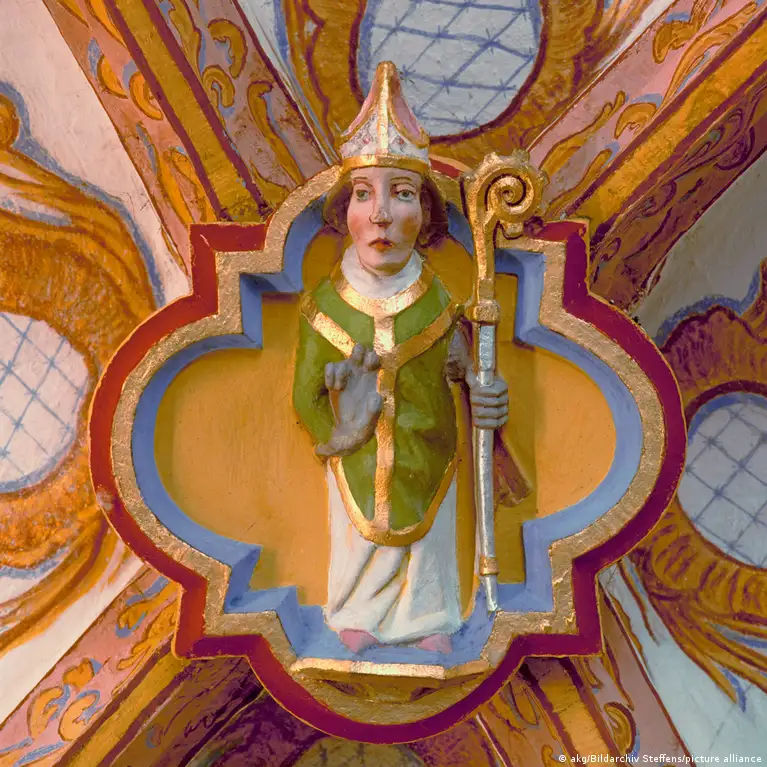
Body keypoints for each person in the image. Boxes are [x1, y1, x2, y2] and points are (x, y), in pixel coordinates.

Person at [293, 62, 510, 654]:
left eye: (403, 194)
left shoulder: (439, 300)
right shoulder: (325, 308)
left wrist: (486, 393)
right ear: (345, 212)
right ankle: (357, 610)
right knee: (358, 535)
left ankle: (427, 615)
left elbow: (465, 369)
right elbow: (304, 396)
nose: (382, 214)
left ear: (426, 215)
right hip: (359, 455)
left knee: (429, 536)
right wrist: (339, 431)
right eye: (364, 194)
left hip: (429, 443)